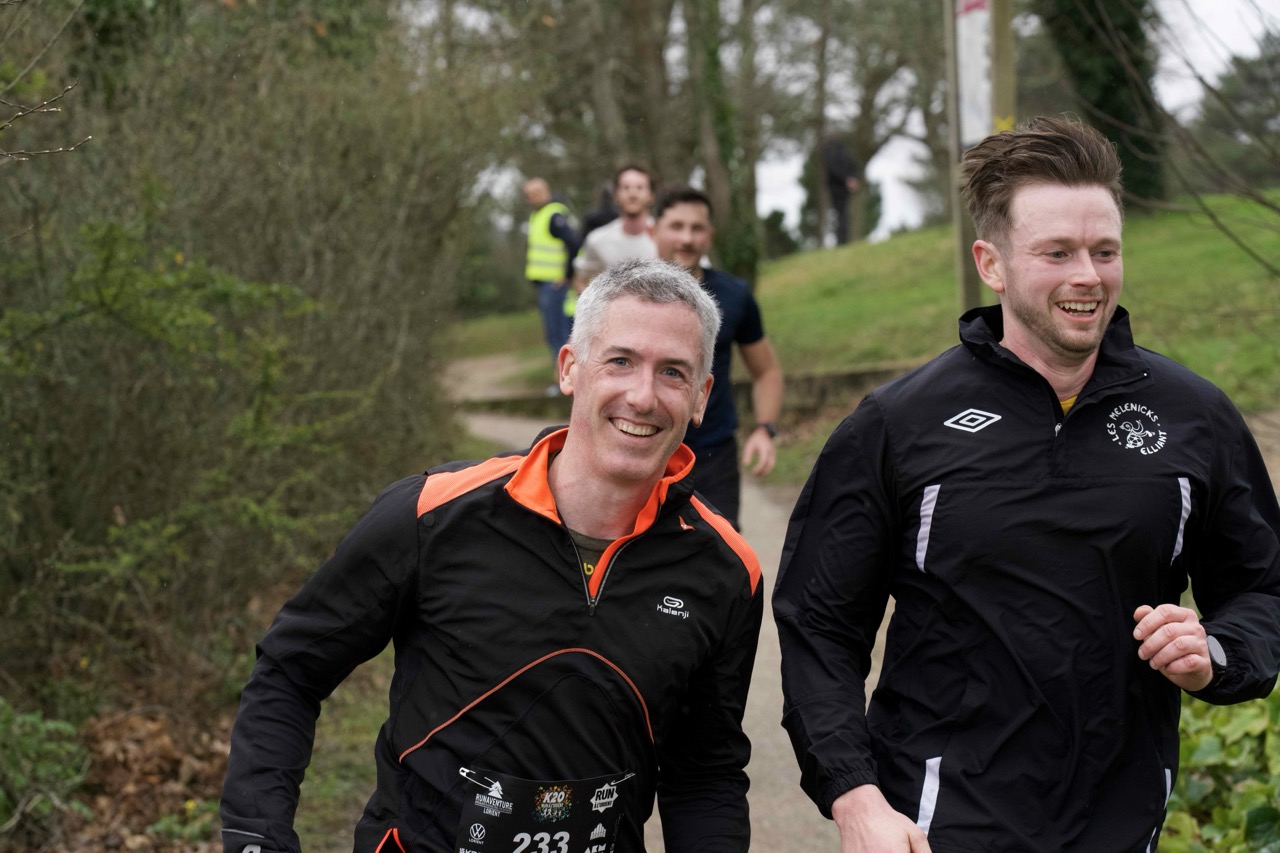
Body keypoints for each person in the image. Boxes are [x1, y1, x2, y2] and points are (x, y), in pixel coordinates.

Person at [774, 116, 1280, 852]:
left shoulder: (1193, 417)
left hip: (1121, 825)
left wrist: (1217, 652)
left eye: (1105, 251)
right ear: (992, 263)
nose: (1088, 276)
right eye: (1058, 252)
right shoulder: (898, 424)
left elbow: (1264, 589)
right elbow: (819, 625)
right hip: (936, 825)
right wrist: (854, 797)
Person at [219, 258, 764, 853]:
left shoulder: (725, 571)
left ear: (702, 397)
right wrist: (257, 836)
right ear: (570, 368)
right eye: (620, 361)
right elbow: (291, 671)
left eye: (673, 373)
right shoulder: (432, 515)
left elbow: (704, 773)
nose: (642, 396)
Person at [651, 186, 784, 530]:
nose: (687, 238)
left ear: (709, 236)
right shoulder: (625, 296)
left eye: (697, 228)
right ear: (654, 231)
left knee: (720, 551)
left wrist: (765, 430)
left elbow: (766, 371)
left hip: (713, 454)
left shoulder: (735, 295)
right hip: (642, 445)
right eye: (676, 226)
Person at [523, 176, 580, 385]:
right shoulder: (537, 215)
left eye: (537, 192)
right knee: (554, 334)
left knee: (560, 334)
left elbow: (574, 243)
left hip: (556, 286)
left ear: (546, 191)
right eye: (530, 194)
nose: (533, 197)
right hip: (546, 285)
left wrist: (567, 275)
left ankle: (567, 381)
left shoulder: (554, 215)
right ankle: (563, 380)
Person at [573, 164, 659, 289]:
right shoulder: (598, 240)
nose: (633, 193)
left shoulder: (665, 237)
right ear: (615, 195)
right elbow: (580, 280)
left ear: (651, 195)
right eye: (626, 187)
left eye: (640, 187)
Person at [820, 134, 860, 246]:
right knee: (843, 214)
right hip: (841, 188)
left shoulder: (830, 153)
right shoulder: (845, 151)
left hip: (836, 188)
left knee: (840, 214)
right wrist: (851, 179)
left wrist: (848, 179)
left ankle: (842, 240)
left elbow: (832, 170)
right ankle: (843, 240)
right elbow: (854, 167)